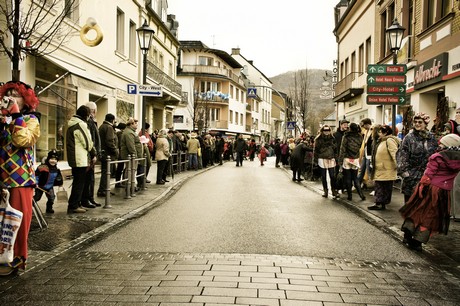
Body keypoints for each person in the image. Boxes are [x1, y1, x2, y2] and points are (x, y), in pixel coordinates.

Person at [0, 81, 40, 275]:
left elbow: (22, 140)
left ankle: (15, 260)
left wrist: (16, 115)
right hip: (2, 176)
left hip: (20, 179)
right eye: (9, 94)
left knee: (17, 222)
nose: (11, 98)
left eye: (17, 95)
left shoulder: (31, 120)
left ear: (26, 100)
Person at [400, 134, 460, 251]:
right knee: (431, 216)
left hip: (431, 188)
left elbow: (428, 175)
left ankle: (408, 235)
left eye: (442, 143)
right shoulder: (457, 160)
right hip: (444, 191)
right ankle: (418, 241)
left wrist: (421, 187)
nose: (439, 144)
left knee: (417, 210)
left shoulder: (437, 157)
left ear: (447, 145)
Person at [397, 113, 438, 204]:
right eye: (415, 122)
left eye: (420, 122)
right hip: (412, 175)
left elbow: (435, 155)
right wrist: (405, 173)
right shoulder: (409, 137)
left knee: (424, 204)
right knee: (410, 204)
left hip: (427, 175)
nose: (417, 124)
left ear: (425, 124)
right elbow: (402, 155)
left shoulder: (431, 137)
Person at [66, 105, 96, 214]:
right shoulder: (80, 124)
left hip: (74, 157)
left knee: (77, 181)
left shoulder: (72, 123)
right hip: (79, 158)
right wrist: (93, 154)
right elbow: (88, 142)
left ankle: (76, 203)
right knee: (79, 182)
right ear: (86, 115)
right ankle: (74, 205)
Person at [367, 125, 400, 210]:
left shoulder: (389, 141)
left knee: (383, 187)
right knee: (380, 186)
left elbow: (394, 153)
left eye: (380, 132)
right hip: (381, 169)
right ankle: (380, 203)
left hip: (386, 169)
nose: (379, 133)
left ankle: (380, 204)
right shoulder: (382, 141)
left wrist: (398, 166)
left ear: (385, 133)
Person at [338, 122, 366, 201]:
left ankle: (349, 196)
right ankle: (361, 195)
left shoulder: (346, 136)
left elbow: (342, 149)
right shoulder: (360, 137)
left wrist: (340, 162)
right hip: (355, 159)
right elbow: (360, 147)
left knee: (348, 178)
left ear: (350, 128)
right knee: (355, 178)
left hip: (347, 158)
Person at [34, 149, 64, 214]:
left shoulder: (57, 170)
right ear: (48, 159)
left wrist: (60, 184)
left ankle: (49, 208)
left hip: (49, 187)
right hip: (40, 186)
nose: (53, 161)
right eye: (51, 159)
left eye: (55, 159)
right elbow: (36, 176)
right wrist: (35, 183)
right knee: (36, 198)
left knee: (51, 198)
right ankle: (30, 207)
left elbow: (59, 178)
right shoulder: (42, 167)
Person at [82, 102, 101, 207]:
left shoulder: (92, 121)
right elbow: (91, 140)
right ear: (93, 110)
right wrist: (93, 154)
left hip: (92, 154)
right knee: (88, 179)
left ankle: (90, 198)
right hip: (90, 155)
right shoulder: (89, 122)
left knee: (91, 178)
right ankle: (86, 199)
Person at [314, 125, 338, 198]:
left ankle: (333, 190)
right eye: (325, 131)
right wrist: (315, 161)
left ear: (330, 131)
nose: (326, 132)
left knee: (332, 176)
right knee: (323, 176)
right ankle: (326, 191)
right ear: (322, 131)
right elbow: (316, 150)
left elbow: (336, 149)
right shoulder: (318, 139)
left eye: (328, 130)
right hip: (322, 158)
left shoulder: (333, 138)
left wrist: (336, 158)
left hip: (331, 158)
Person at [97, 113, 118, 197]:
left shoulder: (102, 126)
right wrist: (115, 151)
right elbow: (110, 141)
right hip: (108, 154)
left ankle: (105, 189)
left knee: (105, 172)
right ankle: (103, 190)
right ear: (112, 120)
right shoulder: (109, 127)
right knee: (107, 172)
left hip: (104, 153)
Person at [120, 118, 142, 190]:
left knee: (131, 171)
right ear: (131, 124)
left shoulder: (130, 132)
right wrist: (134, 156)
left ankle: (130, 185)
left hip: (130, 156)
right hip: (130, 156)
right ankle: (130, 186)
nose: (137, 125)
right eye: (136, 124)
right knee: (131, 171)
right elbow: (131, 146)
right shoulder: (129, 133)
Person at [334, 119, 349, 192]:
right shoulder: (336, 134)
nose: (346, 126)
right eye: (344, 124)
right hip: (338, 156)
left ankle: (344, 187)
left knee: (346, 172)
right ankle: (337, 187)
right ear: (341, 125)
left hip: (346, 156)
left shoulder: (348, 134)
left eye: (347, 124)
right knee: (337, 172)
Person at [357, 118, 373, 189]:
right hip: (365, 153)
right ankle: (358, 184)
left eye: (364, 125)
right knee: (362, 168)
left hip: (369, 154)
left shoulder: (372, 130)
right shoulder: (366, 131)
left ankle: (372, 186)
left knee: (368, 169)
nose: (363, 127)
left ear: (367, 124)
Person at [114, 122, 127, 188]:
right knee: (120, 168)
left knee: (120, 168)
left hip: (120, 152)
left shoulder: (118, 133)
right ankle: (118, 182)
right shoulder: (121, 134)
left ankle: (118, 182)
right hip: (121, 152)